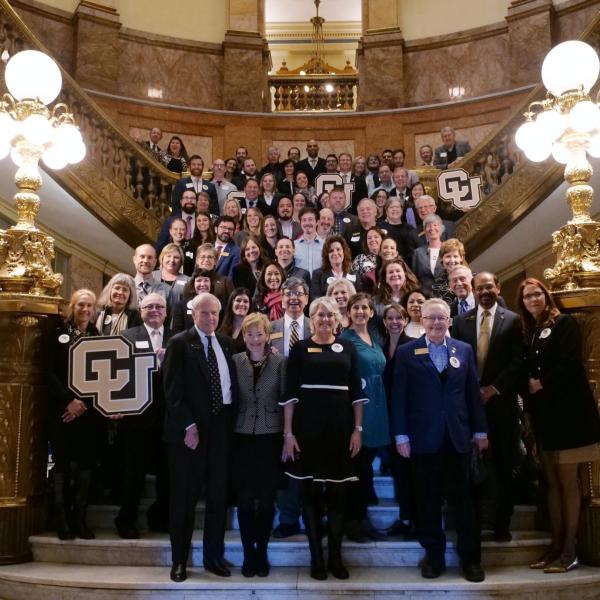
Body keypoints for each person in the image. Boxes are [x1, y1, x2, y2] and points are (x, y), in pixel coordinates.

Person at [392, 298, 488, 582]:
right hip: (423, 440)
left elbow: (472, 394)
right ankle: (434, 558)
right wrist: (400, 434)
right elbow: (399, 396)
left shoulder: (464, 350)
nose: (436, 323)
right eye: (431, 318)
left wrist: (480, 431)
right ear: (422, 320)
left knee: (464, 504)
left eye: (441, 318)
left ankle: (470, 559)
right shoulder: (407, 352)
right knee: (428, 502)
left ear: (449, 321)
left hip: (457, 438)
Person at [281, 296, 367, 580]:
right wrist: (288, 434)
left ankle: (335, 557)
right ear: (312, 318)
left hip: (341, 430)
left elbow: (356, 393)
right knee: (311, 497)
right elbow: (290, 394)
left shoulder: (348, 348)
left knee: (339, 495)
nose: (325, 319)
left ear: (338, 319)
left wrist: (357, 430)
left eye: (330, 315)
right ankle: (316, 558)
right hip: (307, 430)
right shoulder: (300, 347)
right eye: (320, 315)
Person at [517, 278, 600, 573]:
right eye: (527, 297)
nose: (533, 300)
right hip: (546, 419)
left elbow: (570, 364)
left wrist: (541, 383)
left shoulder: (563, 323)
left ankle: (570, 551)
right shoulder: (532, 331)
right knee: (551, 484)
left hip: (571, 417)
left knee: (568, 484)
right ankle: (555, 548)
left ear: (546, 295)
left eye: (537, 294)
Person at [163, 293, 238, 582]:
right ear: (194, 313)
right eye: (205, 313)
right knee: (184, 499)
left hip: (220, 434)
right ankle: (179, 560)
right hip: (189, 435)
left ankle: (213, 557)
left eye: (216, 313)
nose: (211, 318)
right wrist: (188, 426)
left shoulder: (228, 344)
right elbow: (172, 392)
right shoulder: (180, 343)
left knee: (218, 499)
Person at [452, 271, 524, 542]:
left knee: (504, 464)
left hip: (501, 405)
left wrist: (493, 389)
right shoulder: (461, 322)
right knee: (472, 464)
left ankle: (502, 522)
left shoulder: (513, 321)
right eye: (479, 288)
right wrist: (473, 392)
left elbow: (518, 361)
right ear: (473, 290)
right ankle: (476, 518)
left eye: (488, 287)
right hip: (470, 406)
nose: (484, 292)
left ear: (498, 287)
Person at [232, 313, 286, 577]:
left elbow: (287, 400)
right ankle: (247, 553)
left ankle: (261, 550)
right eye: (249, 334)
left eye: (259, 334)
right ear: (243, 337)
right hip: (241, 436)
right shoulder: (235, 362)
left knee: (265, 499)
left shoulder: (280, 363)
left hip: (270, 436)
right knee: (244, 499)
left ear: (267, 336)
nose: (255, 339)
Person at [47, 289, 105, 540]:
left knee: (85, 464)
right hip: (62, 411)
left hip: (88, 413)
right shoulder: (58, 334)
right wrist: (68, 402)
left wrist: (83, 404)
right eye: (81, 304)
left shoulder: (96, 335)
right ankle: (61, 519)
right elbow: (49, 372)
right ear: (72, 306)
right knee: (62, 463)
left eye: (90, 306)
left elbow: (102, 376)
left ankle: (79, 518)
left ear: (95, 310)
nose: (85, 309)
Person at [116, 293, 172, 539]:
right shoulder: (127, 337)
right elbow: (118, 376)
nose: (155, 310)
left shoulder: (178, 338)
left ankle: (160, 517)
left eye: (159, 306)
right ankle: (125, 520)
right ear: (141, 311)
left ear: (167, 312)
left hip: (169, 417)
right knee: (133, 474)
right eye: (149, 306)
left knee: (167, 474)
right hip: (136, 418)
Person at [340, 294, 389, 542]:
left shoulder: (375, 338)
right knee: (357, 466)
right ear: (349, 312)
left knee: (366, 466)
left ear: (371, 312)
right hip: (359, 406)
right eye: (355, 307)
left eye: (364, 308)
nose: (360, 311)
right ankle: (353, 521)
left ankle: (363, 518)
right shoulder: (345, 339)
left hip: (378, 405)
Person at [270, 278, 311, 539]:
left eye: (299, 293)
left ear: (307, 298)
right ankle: (287, 517)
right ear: (281, 298)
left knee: (308, 462)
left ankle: (312, 516)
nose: (293, 297)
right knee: (284, 463)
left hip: (310, 405)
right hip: (276, 405)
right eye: (288, 293)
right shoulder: (269, 327)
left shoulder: (317, 325)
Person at [380, 303, 415, 538]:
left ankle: (412, 518)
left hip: (407, 416)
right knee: (398, 471)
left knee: (408, 471)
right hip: (385, 415)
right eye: (390, 318)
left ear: (405, 320)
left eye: (398, 318)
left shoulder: (413, 346)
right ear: (384, 322)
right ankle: (405, 516)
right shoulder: (379, 347)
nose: (394, 322)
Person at [310, 235, 356, 299]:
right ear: (327, 255)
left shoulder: (354, 274)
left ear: (344, 252)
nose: (335, 253)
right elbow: (315, 300)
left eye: (338, 249)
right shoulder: (318, 274)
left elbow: (358, 298)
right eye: (331, 251)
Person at [377, 197, 419, 266]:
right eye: (391, 207)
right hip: (385, 265)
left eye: (397, 207)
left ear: (402, 210)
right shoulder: (379, 227)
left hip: (407, 267)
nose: (394, 209)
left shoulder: (410, 229)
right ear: (386, 211)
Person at [171, 269, 215, 333]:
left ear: (211, 284)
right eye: (198, 280)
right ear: (193, 284)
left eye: (206, 280)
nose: (202, 284)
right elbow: (176, 332)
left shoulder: (219, 305)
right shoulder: (181, 305)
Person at [411, 214, 445, 296]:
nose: (432, 228)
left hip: (448, 295)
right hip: (426, 297)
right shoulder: (418, 253)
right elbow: (415, 278)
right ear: (425, 231)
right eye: (428, 226)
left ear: (441, 228)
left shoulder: (450, 249)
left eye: (435, 225)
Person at [153, 243, 189, 310]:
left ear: (181, 261)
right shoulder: (151, 276)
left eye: (176, 257)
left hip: (176, 318)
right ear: (162, 258)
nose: (172, 260)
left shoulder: (187, 281)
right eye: (169, 256)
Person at [217, 287, 253, 353]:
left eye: (245, 301)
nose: (242, 304)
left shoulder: (254, 327)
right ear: (232, 303)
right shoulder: (220, 324)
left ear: (249, 305)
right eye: (238, 300)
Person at [431, 238, 465, 305]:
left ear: (461, 258)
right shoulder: (437, 286)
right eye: (448, 256)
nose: (452, 260)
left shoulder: (472, 279)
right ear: (442, 259)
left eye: (455, 256)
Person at [294, 206, 324, 276]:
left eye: (310, 219)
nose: (307, 223)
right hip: (299, 286)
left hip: (320, 286)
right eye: (304, 220)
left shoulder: (325, 245)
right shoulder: (294, 246)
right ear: (300, 223)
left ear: (317, 222)